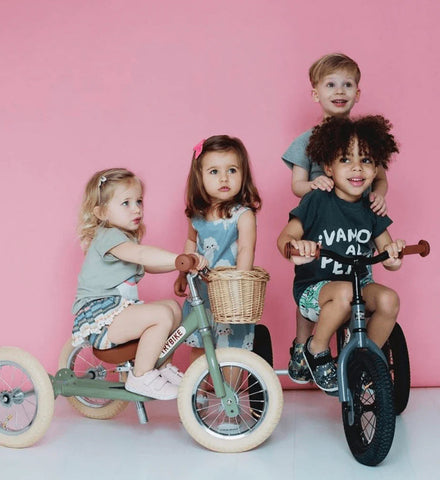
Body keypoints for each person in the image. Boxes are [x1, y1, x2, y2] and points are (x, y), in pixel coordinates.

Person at [282, 53, 390, 384]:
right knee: (316, 275)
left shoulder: (363, 139)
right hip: (319, 219)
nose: (339, 91)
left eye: (347, 84)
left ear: (357, 93)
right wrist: (313, 185)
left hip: (354, 215)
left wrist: (379, 194)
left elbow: (380, 177)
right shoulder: (308, 141)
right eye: (330, 84)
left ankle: (359, 359)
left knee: (354, 278)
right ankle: (304, 347)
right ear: (316, 93)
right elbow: (296, 184)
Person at [72, 168, 207, 400]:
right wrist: (177, 259)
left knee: (172, 308)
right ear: (102, 212)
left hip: (118, 312)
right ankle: (142, 375)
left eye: (139, 201)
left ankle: (161, 366)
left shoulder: (125, 238)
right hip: (102, 318)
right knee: (161, 316)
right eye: (126, 203)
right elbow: (143, 255)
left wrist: (180, 264)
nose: (136, 208)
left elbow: (149, 264)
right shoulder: (109, 236)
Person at [174, 135, 262, 364]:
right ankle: (199, 396)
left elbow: (245, 249)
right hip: (201, 291)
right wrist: (182, 275)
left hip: (230, 294)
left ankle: (230, 393)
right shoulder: (197, 216)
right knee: (201, 344)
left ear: (243, 175)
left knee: (232, 350)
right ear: (200, 178)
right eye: (214, 172)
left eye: (232, 170)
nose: (224, 178)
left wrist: (239, 285)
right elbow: (190, 245)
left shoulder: (243, 215)